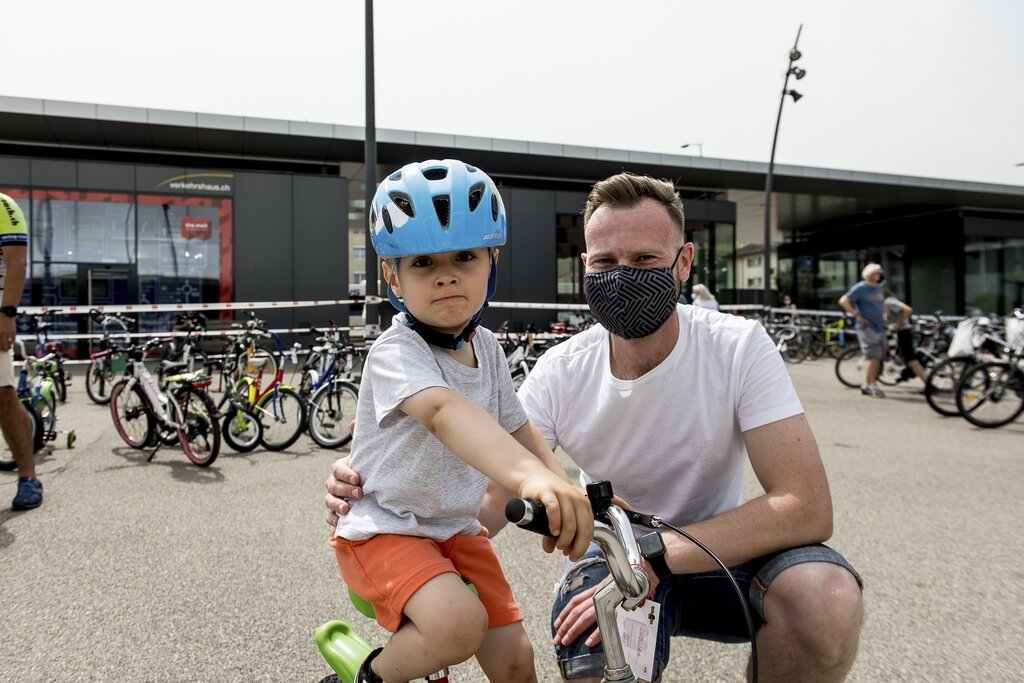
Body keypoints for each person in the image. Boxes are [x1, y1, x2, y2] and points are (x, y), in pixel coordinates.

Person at [328, 172, 864, 683]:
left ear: (683, 263)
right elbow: (494, 474)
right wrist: (379, 490)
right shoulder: (560, 371)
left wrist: (651, 550)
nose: (624, 274)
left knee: (826, 599)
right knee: (595, 651)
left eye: (644, 259)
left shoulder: (738, 346)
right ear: (585, 265)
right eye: (606, 261)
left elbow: (806, 505)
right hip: (614, 559)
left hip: (724, 556)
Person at [330, 159, 593, 683]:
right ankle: (370, 678)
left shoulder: (488, 348)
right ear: (393, 276)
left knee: (517, 660)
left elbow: (520, 429)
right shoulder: (395, 350)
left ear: (491, 262)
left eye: (465, 257)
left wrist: (566, 488)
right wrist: (528, 478)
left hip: (456, 530)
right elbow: (443, 412)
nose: (447, 274)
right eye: (423, 262)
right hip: (387, 529)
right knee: (457, 624)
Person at [0, 192, 41, 510]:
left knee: (2, 397)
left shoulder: (3, 205)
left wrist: (7, 314)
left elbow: (17, 263)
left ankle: (28, 477)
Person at [839, 264, 887, 398]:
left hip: (879, 326)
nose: (880, 274)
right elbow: (844, 301)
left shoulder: (878, 288)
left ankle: (871, 382)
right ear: (870, 274)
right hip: (867, 328)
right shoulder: (861, 288)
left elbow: (882, 304)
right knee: (873, 357)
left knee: (877, 357)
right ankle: (868, 384)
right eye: (878, 272)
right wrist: (857, 316)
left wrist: (884, 315)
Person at [884, 290, 928, 384]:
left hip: (903, 332)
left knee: (910, 358)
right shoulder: (887, 302)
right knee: (900, 355)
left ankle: (927, 383)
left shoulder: (889, 301)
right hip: (900, 332)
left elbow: (907, 309)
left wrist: (898, 323)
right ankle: (907, 373)